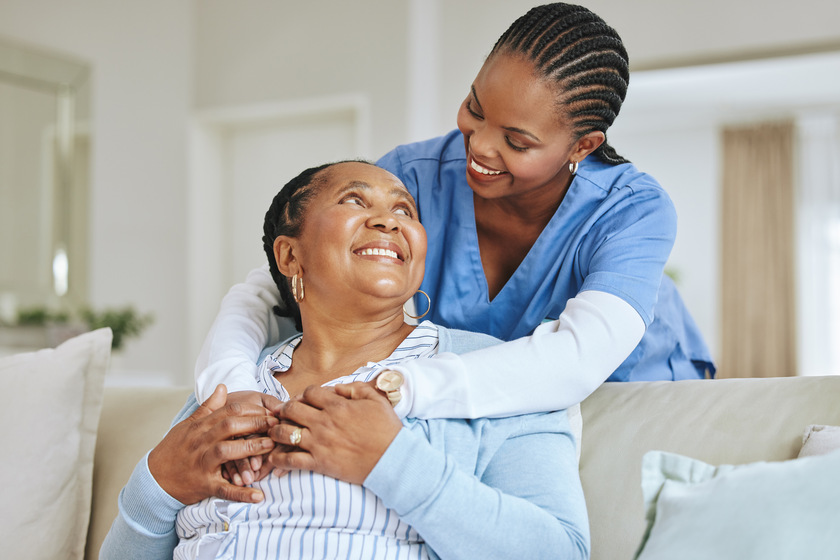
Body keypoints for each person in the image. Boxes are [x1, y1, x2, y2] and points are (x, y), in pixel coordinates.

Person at [195, 2, 715, 481]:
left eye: (516, 141)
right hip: (469, 404)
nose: (480, 146)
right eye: (475, 106)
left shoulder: (631, 210)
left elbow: (576, 360)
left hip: (626, 388)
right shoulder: (410, 178)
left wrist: (402, 387)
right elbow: (274, 282)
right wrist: (230, 389)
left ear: (583, 144)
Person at [99, 160, 588, 559]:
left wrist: (391, 460)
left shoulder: (498, 371)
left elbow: (562, 551)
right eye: (355, 200)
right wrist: (156, 483)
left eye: (404, 210)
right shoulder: (230, 387)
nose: (389, 220)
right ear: (290, 257)